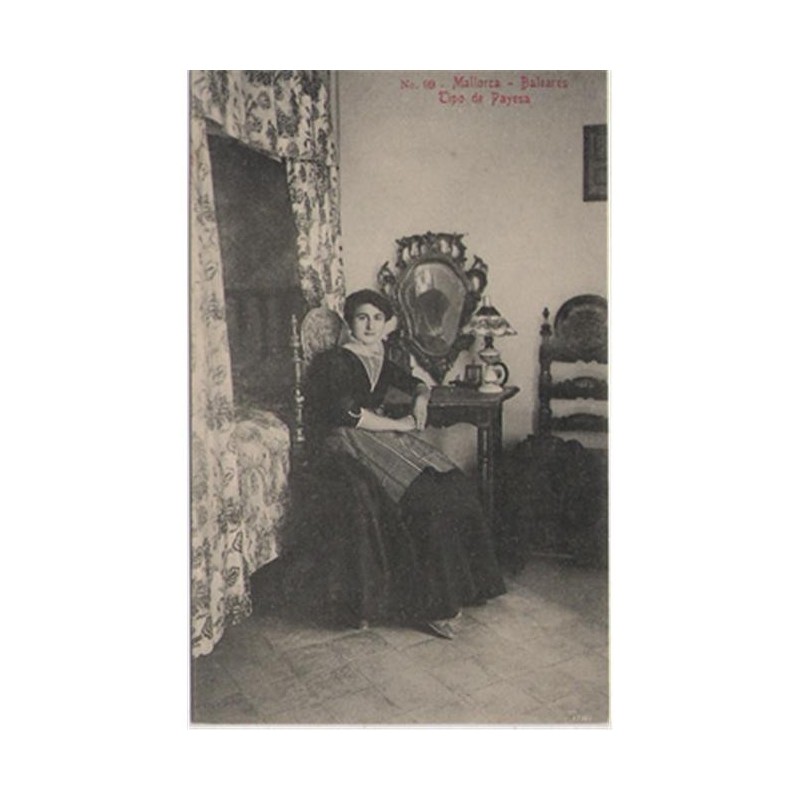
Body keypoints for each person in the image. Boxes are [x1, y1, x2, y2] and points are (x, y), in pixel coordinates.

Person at [293, 288, 506, 639]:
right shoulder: (335, 361)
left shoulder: (380, 357)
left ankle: (471, 587)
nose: (370, 325)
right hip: (345, 440)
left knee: (453, 481)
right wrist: (400, 425)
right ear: (349, 322)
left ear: (386, 323)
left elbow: (416, 383)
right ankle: (435, 606)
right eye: (362, 317)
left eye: (377, 318)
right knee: (426, 496)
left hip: (375, 434)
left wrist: (420, 398)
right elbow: (348, 414)